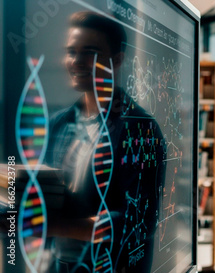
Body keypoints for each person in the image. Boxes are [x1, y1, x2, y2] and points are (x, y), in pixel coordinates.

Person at [45, 11, 164, 273]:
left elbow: (136, 222)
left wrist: (54, 226)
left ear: (117, 60)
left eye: (90, 52)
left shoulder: (140, 128)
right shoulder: (58, 124)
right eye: (71, 51)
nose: (76, 61)